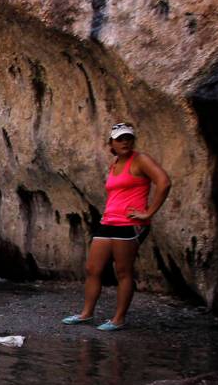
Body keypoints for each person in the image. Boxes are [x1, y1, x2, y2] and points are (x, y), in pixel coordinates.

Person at [62, 122, 171, 331]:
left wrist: (148, 213)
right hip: (108, 221)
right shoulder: (115, 163)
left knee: (123, 271)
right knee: (93, 269)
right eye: (120, 139)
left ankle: (118, 319)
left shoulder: (140, 160)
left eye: (129, 138)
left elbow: (164, 182)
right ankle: (86, 314)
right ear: (111, 143)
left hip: (129, 224)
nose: (125, 142)